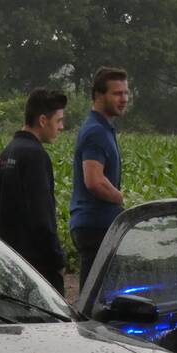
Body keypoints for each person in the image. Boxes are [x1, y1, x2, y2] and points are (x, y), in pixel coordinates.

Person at [0, 88, 68, 294]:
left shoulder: (5, 154)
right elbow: (42, 216)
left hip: (8, 263)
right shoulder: (35, 155)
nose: (61, 127)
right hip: (36, 269)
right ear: (42, 120)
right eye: (58, 121)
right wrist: (57, 258)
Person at [68, 67, 130, 289]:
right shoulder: (95, 131)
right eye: (117, 93)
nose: (123, 99)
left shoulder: (102, 129)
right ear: (98, 95)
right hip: (96, 226)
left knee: (99, 294)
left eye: (125, 93)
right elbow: (93, 181)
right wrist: (119, 198)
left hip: (98, 225)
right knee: (96, 297)